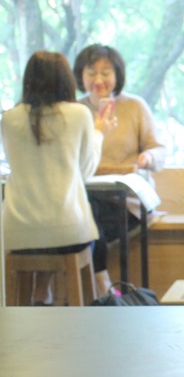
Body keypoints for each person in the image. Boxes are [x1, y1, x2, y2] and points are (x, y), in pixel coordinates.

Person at [1, 50, 113, 304]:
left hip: (17, 231)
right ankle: (78, 302)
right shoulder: (78, 114)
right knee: (84, 231)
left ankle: (41, 295)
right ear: (67, 79)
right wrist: (99, 133)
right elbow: (85, 171)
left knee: (42, 235)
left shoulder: (8, 119)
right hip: (69, 231)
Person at [73, 44, 166, 293]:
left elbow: (158, 149)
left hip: (129, 202)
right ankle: (102, 288)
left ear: (117, 75)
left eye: (106, 73)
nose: (98, 80)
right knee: (86, 214)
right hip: (89, 197)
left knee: (87, 220)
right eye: (91, 73)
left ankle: (100, 290)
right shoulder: (75, 111)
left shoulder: (135, 106)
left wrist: (148, 157)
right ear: (80, 76)